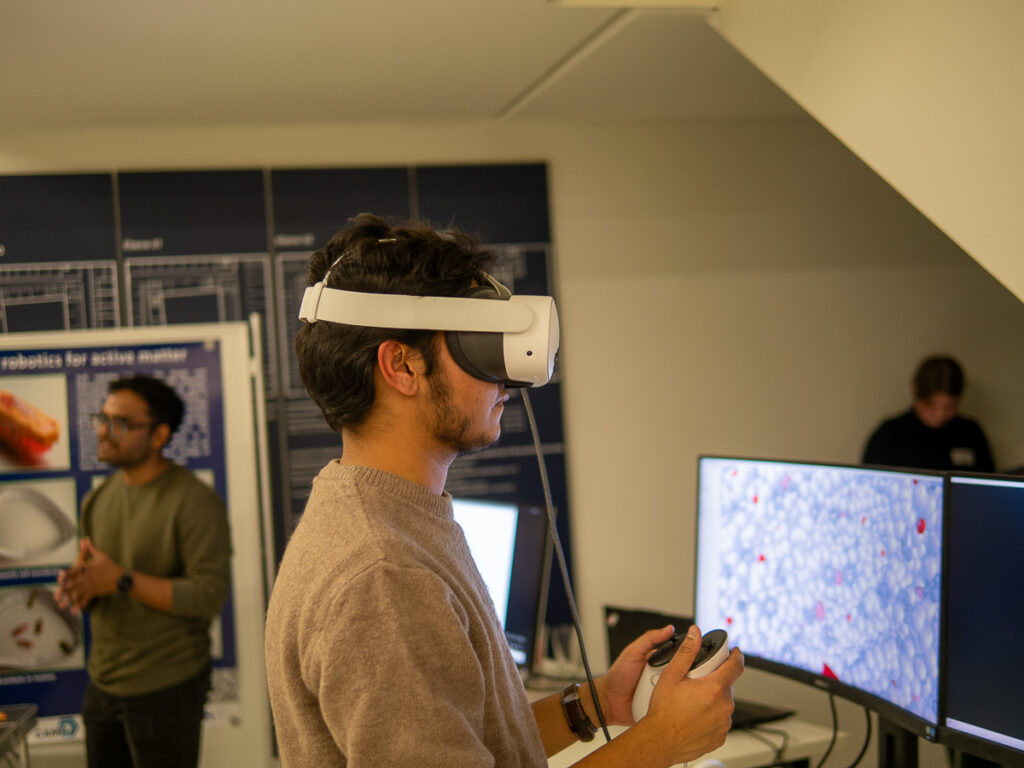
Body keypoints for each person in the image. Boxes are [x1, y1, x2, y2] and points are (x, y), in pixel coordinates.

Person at [264, 213, 743, 768]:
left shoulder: (383, 514)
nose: (508, 379)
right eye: (479, 347)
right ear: (401, 365)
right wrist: (662, 743)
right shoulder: (383, 575)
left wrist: (596, 702)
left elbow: (467, 735)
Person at [56, 374, 232, 768]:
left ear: (158, 435)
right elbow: (99, 577)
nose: (104, 430)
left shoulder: (195, 501)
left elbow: (207, 596)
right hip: (102, 683)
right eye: (102, 418)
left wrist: (120, 579)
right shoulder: (98, 500)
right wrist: (81, 586)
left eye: (120, 423)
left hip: (166, 686)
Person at [862, 355, 995, 472]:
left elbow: (988, 483)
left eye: (949, 407)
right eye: (930, 407)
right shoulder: (890, 435)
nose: (940, 414)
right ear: (915, 390)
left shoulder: (971, 432)